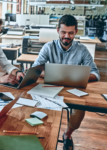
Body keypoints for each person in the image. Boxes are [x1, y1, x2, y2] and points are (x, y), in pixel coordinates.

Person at [32, 15, 100, 150]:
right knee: (38, 104)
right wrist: (56, 75)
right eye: (63, 32)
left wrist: (76, 77)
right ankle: (46, 135)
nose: (66, 36)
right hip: (51, 88)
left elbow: (95, 74)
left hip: (73, 90)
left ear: (76, 32)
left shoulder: (82, 50)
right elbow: (35, 70)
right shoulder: (48, 47)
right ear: (58, 30)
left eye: (70, 33)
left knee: (80, 108)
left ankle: (67, 134)